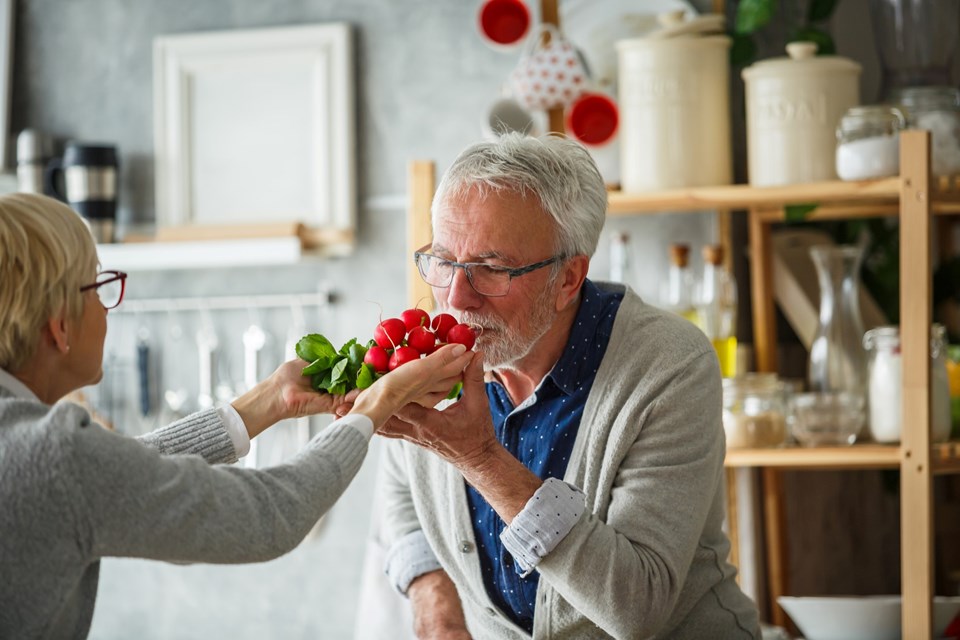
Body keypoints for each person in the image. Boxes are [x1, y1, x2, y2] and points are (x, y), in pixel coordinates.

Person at [0, 192, 474, 639]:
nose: (108, 309)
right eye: (99, 287)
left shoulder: (33, 445)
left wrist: (269, 399)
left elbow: (116, 471)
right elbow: (272, 514)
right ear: (60, 327)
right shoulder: (56, 455)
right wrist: (372, 408)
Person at [371, 134, 761, 639]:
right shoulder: (427, 350)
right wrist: (435, 601)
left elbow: (637, 607)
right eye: (444, 261)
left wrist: (480, 459)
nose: (456, 298)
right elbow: (403, 486)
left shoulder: (669, 366)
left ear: (568, 279)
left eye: (491, 269)